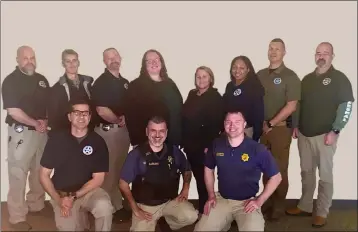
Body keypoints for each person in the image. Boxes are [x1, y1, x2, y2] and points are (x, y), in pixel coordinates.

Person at [285, 42, 355, 228]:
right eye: (318, 53)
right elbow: (298, 105)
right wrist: (296, 126)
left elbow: (346, 106)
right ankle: (306, 205)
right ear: (314, 56)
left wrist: (336, 130)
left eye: (326, 53)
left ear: (332, 56)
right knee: (306, 172)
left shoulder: (340, 79)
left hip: (326, 135)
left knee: (325, 175)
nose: (321, 56)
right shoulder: (307, 80)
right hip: (304, 135)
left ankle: (322, 212)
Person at [194, 111, 282, 231]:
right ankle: (224, 222)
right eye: (228, 122)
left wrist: (259, 201)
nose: (232, 126)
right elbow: (208, 168)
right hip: (222, 200)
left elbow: (276, 177)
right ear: (224, 124)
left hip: (246, 203)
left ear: (244, 124)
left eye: (237, 122)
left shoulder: (257, 149)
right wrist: (211, 195)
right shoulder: (216, 144)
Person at [39, 100, 113, 231]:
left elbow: (98, 179)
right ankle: (80, 218)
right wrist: (59, 200)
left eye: (85, 113)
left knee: (104, 206)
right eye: (77, 113)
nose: (81, 117)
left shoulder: (98, 142)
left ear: (90, 117)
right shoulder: (56, 140)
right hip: (62, 194)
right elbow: (44, 175)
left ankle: (81, 216)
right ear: (69, 116)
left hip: (88, 191)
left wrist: (74, 196)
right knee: (70, 228)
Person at [119, 116, 198, 231]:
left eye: (161, 131)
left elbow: (187, 170)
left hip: (169, 202)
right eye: (153, 130)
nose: (157, 135)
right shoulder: (136, 154)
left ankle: (165, 221)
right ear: (147, 132)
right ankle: (155, 220)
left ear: (166, 133)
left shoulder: (174, 151)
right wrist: (135, 209)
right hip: (146, 207)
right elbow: (122, 183)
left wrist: (186, 187)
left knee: (191, 216)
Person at [1, 46, 49, 231]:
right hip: (21, 133)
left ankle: (36, 205)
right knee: (18, 174)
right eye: (25, 58)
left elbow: (48, 105)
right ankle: (16, 217)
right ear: (17, 60)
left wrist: (45, 121)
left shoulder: (42, 80)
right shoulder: (11, 81)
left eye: (32, 57)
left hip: (41, 133)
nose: (29, 61)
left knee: (39, 170)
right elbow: (13, 110)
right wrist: (34, 123)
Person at [256, 38, 301, 221]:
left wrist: (271, 123)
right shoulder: (260, 74)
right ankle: (267, 199)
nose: (273, 52)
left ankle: (279, 206)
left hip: (280, 130)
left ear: (284, 53)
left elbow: (291, 106)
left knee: (280, 169)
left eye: (277, 49)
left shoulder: (290, 76)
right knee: (265, 168)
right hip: (262, 130)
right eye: (271, 48)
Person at [92, 48, 131, 220]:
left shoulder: (124, 82)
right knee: (108, 172)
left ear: (120, 58)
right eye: (109, 58)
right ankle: (108, 208)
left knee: (118, 169)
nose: (113, 59)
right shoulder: (101, 82)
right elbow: (101, 110)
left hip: (122, 132)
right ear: (104, 62)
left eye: (115, 56)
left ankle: (116, 203)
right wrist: (117, 120)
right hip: (108, 132)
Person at [182, 66, 224, 216]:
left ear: (210, 79)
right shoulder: (192, 94)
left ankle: (205, 211)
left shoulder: (215, 97)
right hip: (190, 145)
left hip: (205, 146)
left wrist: (209, 146)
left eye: (204, 76)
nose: (201, 79)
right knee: (198, 178)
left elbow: (217, 124)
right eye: (198, 76)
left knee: (204, 179)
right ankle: (204, 208)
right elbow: (184, 116)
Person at [124, 49, 183, 147]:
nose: (154, 62)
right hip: (147, 142)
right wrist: (137, 141)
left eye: (156, 59)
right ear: (144, 65)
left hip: (172, 141)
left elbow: (179, 111)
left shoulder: (170, 84)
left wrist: (180, 138)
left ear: (161, 62)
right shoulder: (136, 86)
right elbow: (130, 117)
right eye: (149, 61)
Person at [47, 49, 97, 134]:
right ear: (63, 64)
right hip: (66, 134)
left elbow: (93, 108)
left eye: (74, 60)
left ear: (78, 62)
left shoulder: (88, 84)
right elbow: (53, 116)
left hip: (87, 133)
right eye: (68, 61)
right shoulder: (57, 89)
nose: (72, 64)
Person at [223, 55, 265, 141]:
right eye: (234, 67)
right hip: (230, 130)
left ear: (248, 70)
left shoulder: (254, 86)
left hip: (247, 131)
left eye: (241, 68)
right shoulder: (229, 86)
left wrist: (256, 136)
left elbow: (258, 113)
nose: (237, 70)